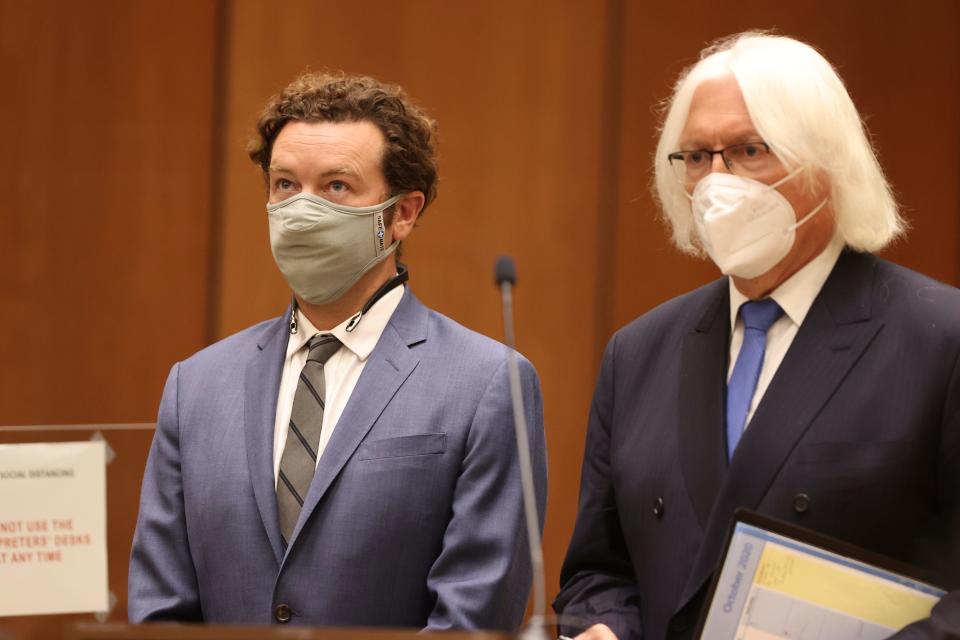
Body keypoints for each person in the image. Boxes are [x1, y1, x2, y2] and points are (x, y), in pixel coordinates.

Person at [554, 32, 959, 640]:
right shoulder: (637, 352)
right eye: (696, 157)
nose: (717, 182)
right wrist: (601, 627)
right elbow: (598, 571)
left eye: (747, 151)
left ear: (826, 163)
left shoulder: (939, 340)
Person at [128, 71, 547, 630]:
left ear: (403, 213)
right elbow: (160, 612)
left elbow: (472, 619)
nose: (301, 210)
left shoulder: (487, 383)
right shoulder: (196, 385)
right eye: (284, 185)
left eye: (335, 187)